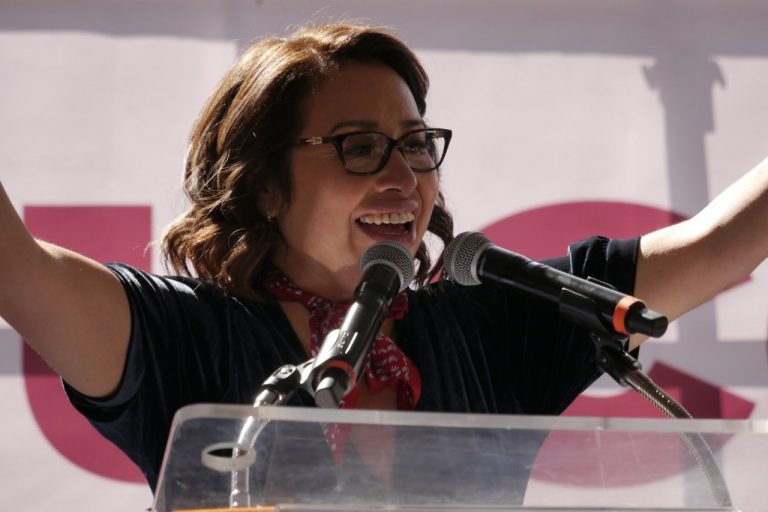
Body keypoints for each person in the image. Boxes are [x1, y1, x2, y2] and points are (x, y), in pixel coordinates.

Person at [1, 22, 767, 494]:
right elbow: (16, 268)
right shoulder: (180, 335)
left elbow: (721, 244)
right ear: (265, 184)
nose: (404, 176)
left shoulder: (496, 325)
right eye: (360, 147)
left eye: (416, 144)